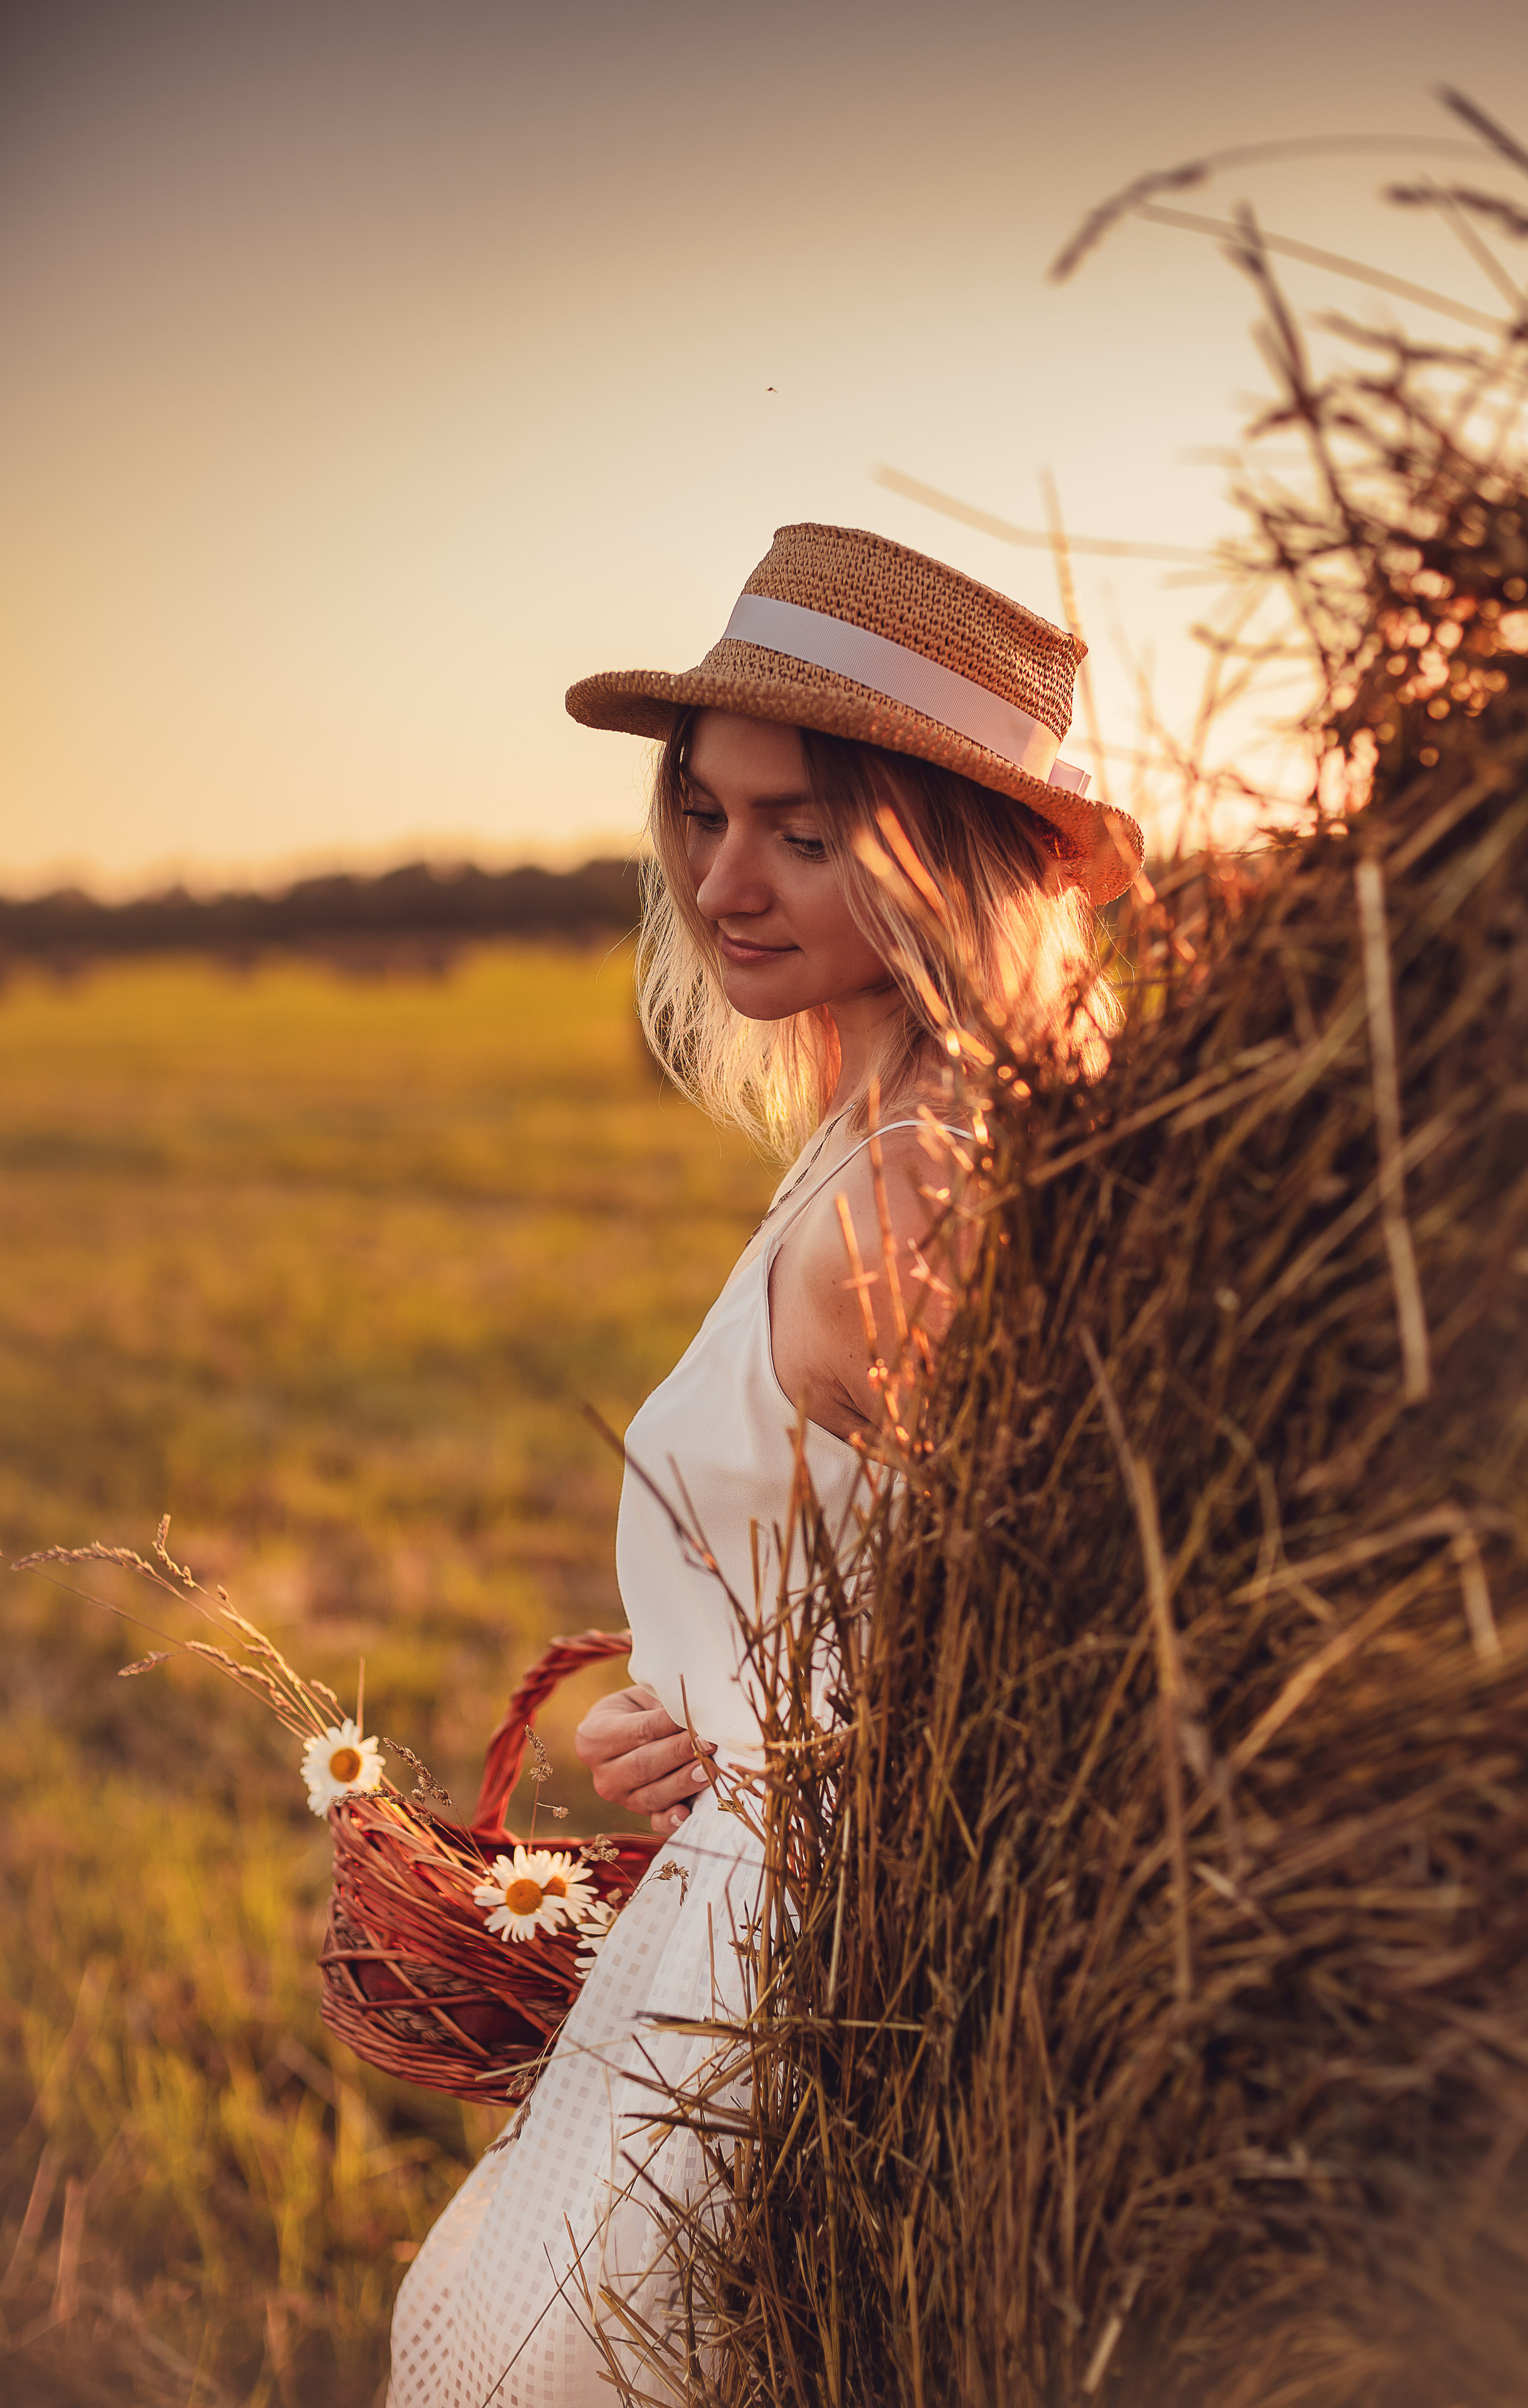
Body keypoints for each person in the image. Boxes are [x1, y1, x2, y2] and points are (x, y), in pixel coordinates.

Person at [386, 522, 1139, 2405]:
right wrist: (695, 1716)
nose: (727, 878)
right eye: (707, 812)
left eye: (805, 831)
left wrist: (787, 1752)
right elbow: (890, 1590)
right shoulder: (882, 1135)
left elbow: (1081, 1660)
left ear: (951, 860)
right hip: (754, 1900)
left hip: (816, 1976)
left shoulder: (913, 1201)